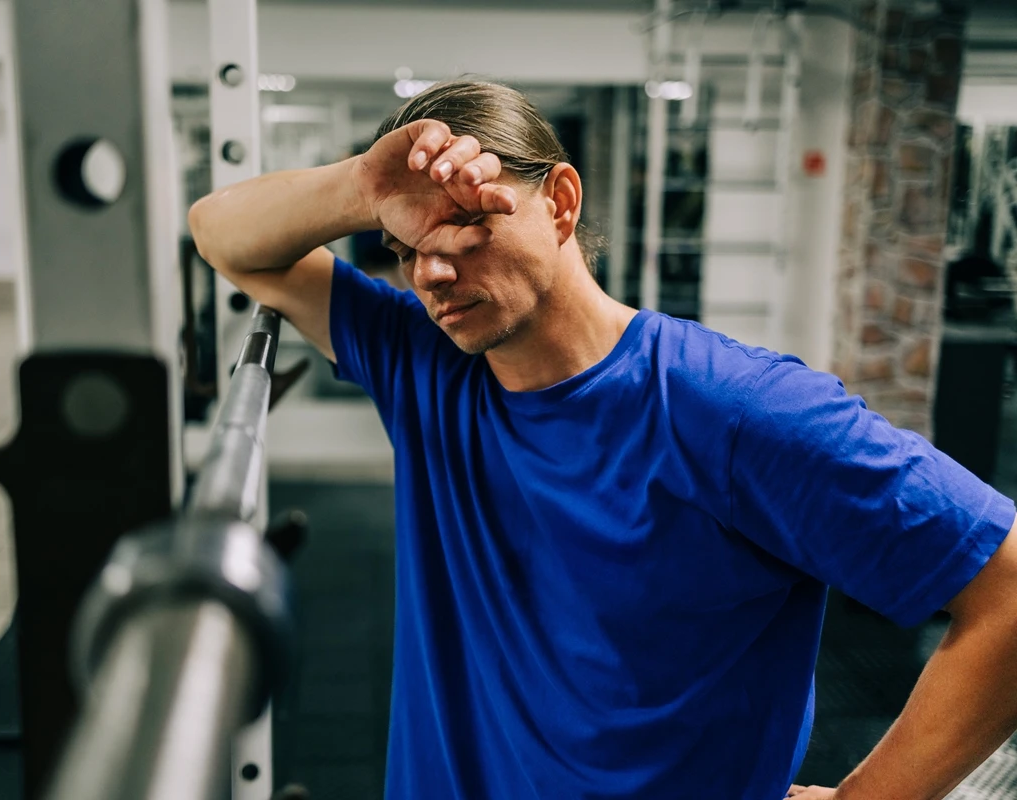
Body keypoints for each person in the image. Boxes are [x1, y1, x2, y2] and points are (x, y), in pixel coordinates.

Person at [188, 79, 1017, 800]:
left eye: (465, 226)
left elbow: (1008, 592)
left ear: (560, 202)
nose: (433, 272)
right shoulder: (425, 364)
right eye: (406, 249)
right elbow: (219, 233)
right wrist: (364, 184)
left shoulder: (734, 409)